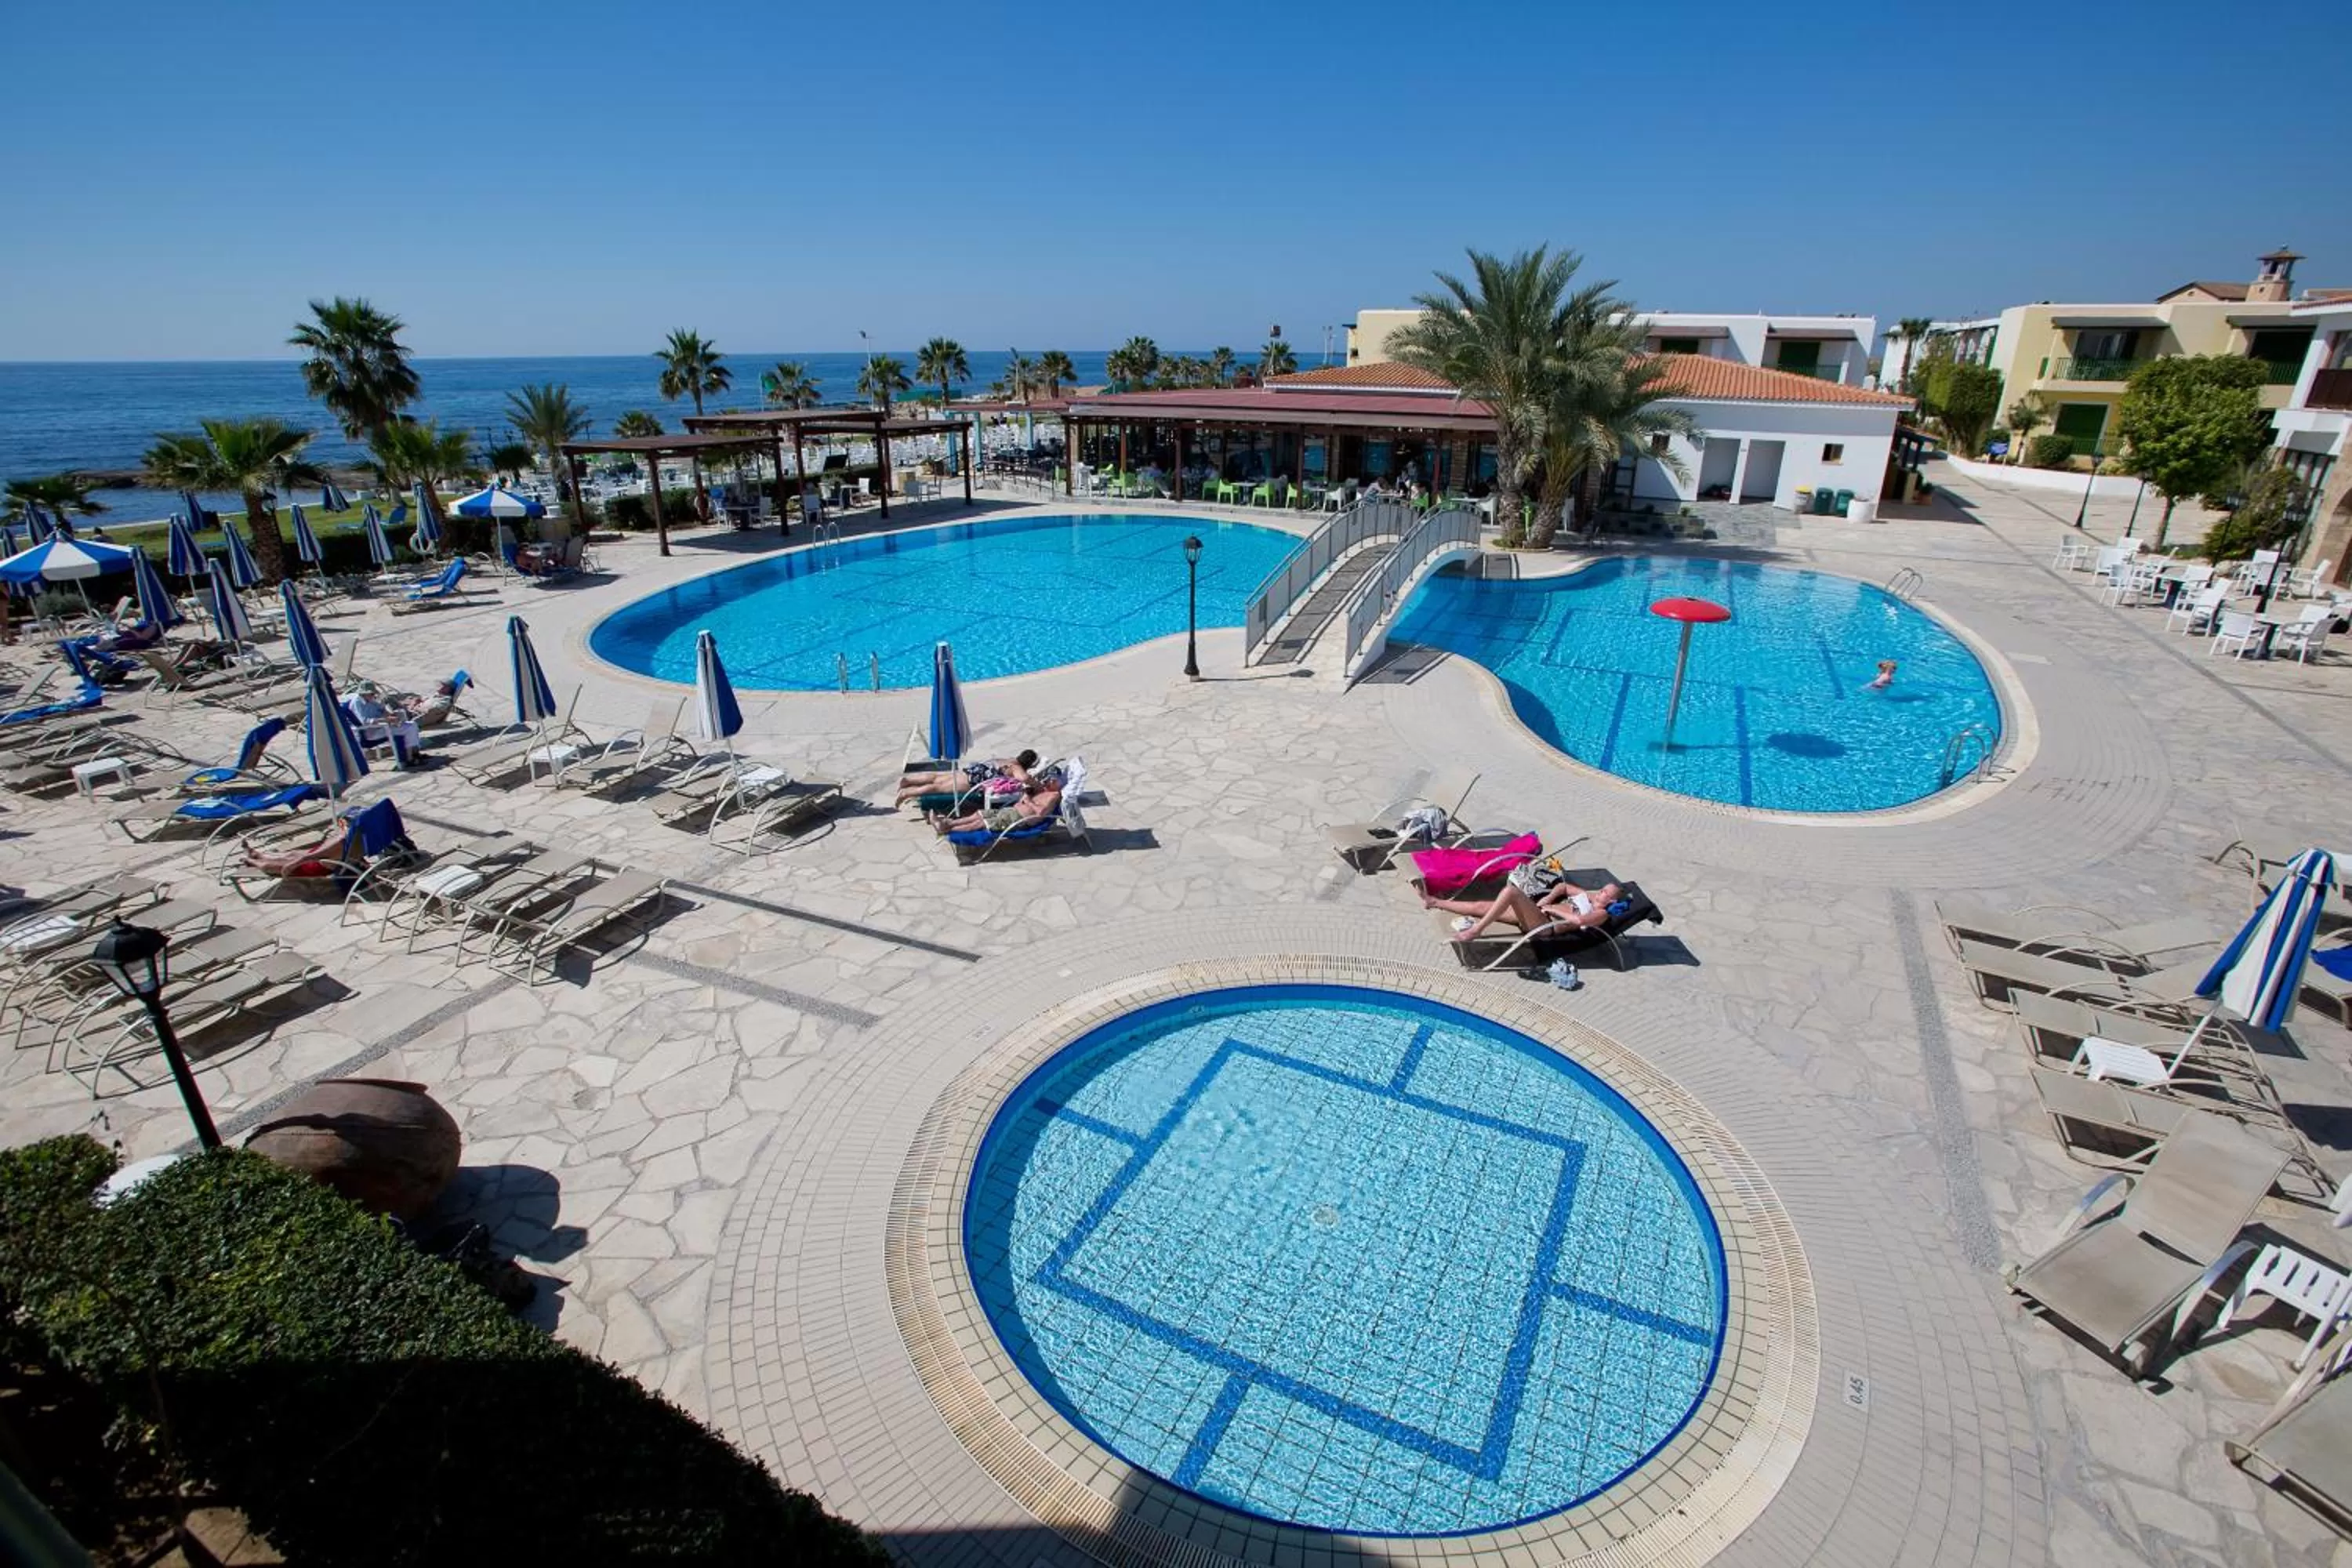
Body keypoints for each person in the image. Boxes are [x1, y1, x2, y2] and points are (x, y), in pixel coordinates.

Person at [1421, 866, 1628, 944]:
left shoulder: (1601, 914)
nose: (1600, 893)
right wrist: (1549, 898)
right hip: (1539, 915)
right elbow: (1564, 887)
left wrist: (1553, 908)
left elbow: (1579, 920)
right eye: (1602, 890)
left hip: (1545, 927)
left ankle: (1476, 930)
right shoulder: (1589, 897)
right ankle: (1435, 902)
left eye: (1606, 893)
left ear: (1613, 901)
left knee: (1511, 892)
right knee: (1482, 906)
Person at [898, 750, 1039, 805]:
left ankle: (908, 781)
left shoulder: (1010, 759)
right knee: (937, 787)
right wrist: (1038, 785)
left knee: (937, 778)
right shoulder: (1016, 767)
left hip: (974, 771)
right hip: (975, 781)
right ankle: (906, 793)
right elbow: (1025, 778)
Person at [936, 773, 1062, 836]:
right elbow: (1025, 798)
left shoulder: (1053, 797)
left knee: (980, 824)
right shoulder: (1042, 791)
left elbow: (1041, 813)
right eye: (1047, 779)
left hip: (1017, 820)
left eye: (1052, 780)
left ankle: (947, 830)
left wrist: (1029, 802)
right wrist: (1026, 795)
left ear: (1058, 784)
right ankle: (947, 823)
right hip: (1010, 812)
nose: (1047, 781)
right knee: (978, 815)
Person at [346, 681, 426, 767]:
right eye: (371, 694)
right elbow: (364, 721)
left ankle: (415, 752)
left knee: (412, 724)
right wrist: (385, 720)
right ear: (363, 694)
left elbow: (381, 710)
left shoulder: (371, 700)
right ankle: (410, 757)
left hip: (381, 727)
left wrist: (390, 715)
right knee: (408, 729)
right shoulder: (357, 703)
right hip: (370, 731)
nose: (373, 696)